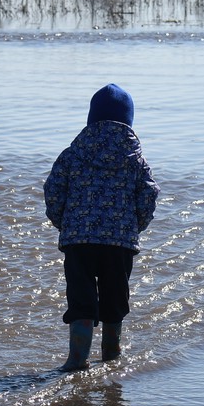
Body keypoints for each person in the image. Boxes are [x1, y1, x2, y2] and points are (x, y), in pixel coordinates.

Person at [44, 84, 159, 371]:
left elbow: (53, 190)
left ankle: (76, 360)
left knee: (81, 299)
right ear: (129, 121)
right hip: (119, 243)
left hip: (78, 241)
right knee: (114, 300)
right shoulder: (136, 161)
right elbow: (148, 196)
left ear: (91, 118)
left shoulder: (73, 154)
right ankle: (111, 355)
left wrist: (65, 224)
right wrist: (135, 227)